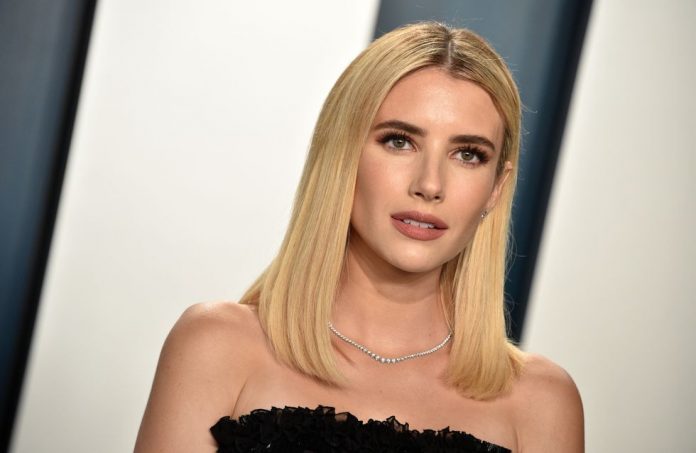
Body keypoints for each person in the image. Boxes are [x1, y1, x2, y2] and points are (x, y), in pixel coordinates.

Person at [134, 22, 583, 452]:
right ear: (341, 154)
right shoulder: (217, 347)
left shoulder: (542, 403)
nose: (430, 184)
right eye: (399, 141)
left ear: (497, 187)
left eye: (468, 154)